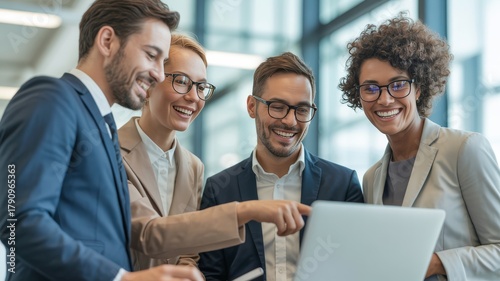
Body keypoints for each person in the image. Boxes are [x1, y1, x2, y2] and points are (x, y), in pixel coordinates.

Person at [0, 1, 205, 280]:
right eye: (151, 55)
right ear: (107, 41)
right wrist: (120, 278)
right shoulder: (50, 98)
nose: (158, 73)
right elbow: (16, 222)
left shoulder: (103, 126)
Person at [121, 34, 312, 272]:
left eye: (201, 86)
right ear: (148, 84)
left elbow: (189, 251)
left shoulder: (192, 166)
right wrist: (246, 210)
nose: (193, 96)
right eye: (181, 81)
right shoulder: (112, 153)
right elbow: (149, 234)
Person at [339, 14, 500, 281]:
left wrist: (438, 262)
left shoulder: (464, 150)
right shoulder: (371, 178)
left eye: (398, 84)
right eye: (371, 88)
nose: (385, 99)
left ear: (419, 88)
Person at [198, 52, 364, 281]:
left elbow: (357, 269)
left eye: (302, 109)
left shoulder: (343, 185)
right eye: (278, 106)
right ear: (251, 106)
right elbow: (210, 275)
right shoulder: (219, 190)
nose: (290, 121)